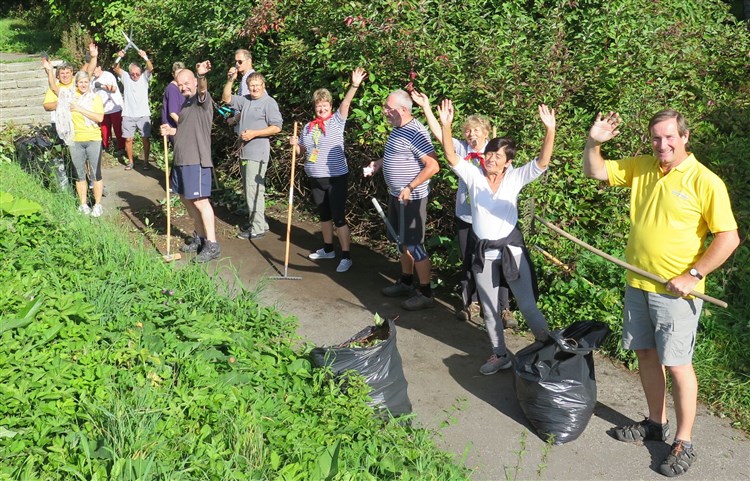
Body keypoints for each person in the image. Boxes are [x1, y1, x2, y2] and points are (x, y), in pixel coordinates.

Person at [582, 109, 739, 477]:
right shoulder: (643, 167)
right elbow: (595, 170)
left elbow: (729, 237)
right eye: (656, 137)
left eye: (670, 137)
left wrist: (693, 274)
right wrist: (593, 143)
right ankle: (655, 423)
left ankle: (684, 441)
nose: (662, 144)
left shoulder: (705, 181)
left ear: (685, 137)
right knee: (646, 354)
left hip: (676, 295)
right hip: (638, 283)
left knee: (678, 365)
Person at [437, 99, 555, 375]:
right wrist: (446, 125)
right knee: (489, 309)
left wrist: (550, 130)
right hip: (484, 254)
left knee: (527, 306)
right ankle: (499, 354)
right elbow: (451, 157)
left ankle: (547, 346)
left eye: (498, 156)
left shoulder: (515, 178)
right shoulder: (474, 177)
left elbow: (542, 162)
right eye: (489, 154)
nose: (491, 159)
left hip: (511, 252)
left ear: (507, 163)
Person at [411, 91, 517, 327]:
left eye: (475, 131)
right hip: (466, 217)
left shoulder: (498, 155)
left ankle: (505, 308)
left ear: (487, 132)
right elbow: (441, 135)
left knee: (498, 261)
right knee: (469, 261)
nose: (470, 135)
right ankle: (471, 303)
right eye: (467, 131)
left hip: (493, 220)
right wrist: (427, 107)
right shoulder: (461, 151)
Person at [365, 89, 440, 311]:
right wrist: (378, 164)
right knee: (401, 241)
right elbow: (397, 155)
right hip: (397, 195)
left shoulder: (415, 132)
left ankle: (425, 292)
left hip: (412, 198)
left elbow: (433, 165)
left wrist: (410, 186)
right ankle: (407, 282)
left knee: (415, 244)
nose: (385, 112)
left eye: (389, 108)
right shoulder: (398, 129)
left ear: (404, 110)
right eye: (385, 107)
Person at [289, 67, 367, 273]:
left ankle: (346, 256)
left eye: (324, 105)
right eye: (318, 106)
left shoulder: (336, 121)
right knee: (324, 216)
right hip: (315, 177)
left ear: (330, 106)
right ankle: (328, 249)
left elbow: (346, 103)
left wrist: (354, 85)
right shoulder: (308, 127)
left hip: (336, 177)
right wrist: (295, 144)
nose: (321, 109)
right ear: (314, 107)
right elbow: (301, 151)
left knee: (339, 217)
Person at [159, 61, 221, 263]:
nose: (184, 87)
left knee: (201, 201)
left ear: (194, 82)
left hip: (196, 160)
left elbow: (203, 89)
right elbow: (184, 131)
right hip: (181, 160)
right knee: (186, 199)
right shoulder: (185, 105)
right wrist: (171, 131)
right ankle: (200, 237)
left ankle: (212, 245)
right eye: (180, 85)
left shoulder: (201, 100)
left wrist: (201, 75)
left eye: (187, 83)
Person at [222, 70, 283, 239]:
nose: (254, 88)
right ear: (247, 87)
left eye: (257, 85)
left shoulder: (269, 102)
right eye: (251, 86)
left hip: (258, 152)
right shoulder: (246, 100)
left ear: (263, 86)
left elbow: (277, 127)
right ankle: (260, 222)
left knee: (253, 190)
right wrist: (230, 80)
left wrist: (254, 134)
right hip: (245, 152)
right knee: (250, 188)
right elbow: (226, 99)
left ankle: (256, 228)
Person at [42, 61, 105, 217]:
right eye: (80, 82)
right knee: (79, 173)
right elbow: (54, 88)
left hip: (93, 139)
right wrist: (50, 71)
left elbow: (99, 117)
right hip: (75, 139)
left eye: (85, 82)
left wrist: (79, 109)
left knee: (96, 173)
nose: (83, 85)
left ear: (89, 83)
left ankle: (97, 205)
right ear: (76, 84)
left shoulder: (95, 98)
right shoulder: (70, 95)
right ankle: (83, 204)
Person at [114, 48, 153, 170]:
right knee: (128, 139)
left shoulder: (144, 77)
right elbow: (115, 68)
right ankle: (131, 162)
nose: (135, 76)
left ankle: (146, 162)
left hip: (143, 114)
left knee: (145, 138)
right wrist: (119, 56)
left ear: (141, 72)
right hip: (128, 115)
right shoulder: (125, 77)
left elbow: (150, 68)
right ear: (129, 72)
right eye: (133, 74)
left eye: (137, 73)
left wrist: (145, 57)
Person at [91, 56, 125, 154]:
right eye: (92, 70)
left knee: (118, 129)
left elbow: (113, 89)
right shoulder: (92, 80)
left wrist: (101, 86)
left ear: (99, 67)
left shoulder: (108, 75)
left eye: (94, 69)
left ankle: (121, 147)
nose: (93, 72)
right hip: (102, 110)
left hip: (114, 107)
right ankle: (107, 147)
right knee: (105, 130)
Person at [162, 61, 186, 143]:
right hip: (174, 127)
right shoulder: (172, 89)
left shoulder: (182, 88)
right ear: (173, 74)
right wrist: (184, 126)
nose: (180, 76)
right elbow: (173, 113)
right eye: (177, 73)